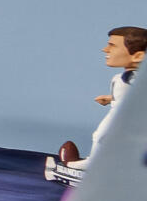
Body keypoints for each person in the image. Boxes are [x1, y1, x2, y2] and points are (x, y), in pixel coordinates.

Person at [56, 25, 147, 165]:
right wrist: (111, 99)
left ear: (138, 56)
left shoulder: (131, 77)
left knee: (102, 136)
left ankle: (94, 165)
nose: (105, 50)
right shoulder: (128, 77)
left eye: (112, 46)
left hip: (124, 117)